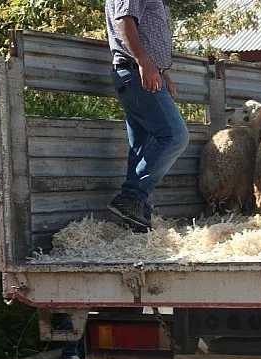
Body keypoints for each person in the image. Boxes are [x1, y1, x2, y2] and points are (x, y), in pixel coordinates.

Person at [105, 0, 190, 232]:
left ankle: (137, 221)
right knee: (175, 136)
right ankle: (131, 198)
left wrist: (165, 74)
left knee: (142, 147)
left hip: (145, 73)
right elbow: (124, 20)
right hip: (135, 71)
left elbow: (153, 36)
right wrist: (144, 62)